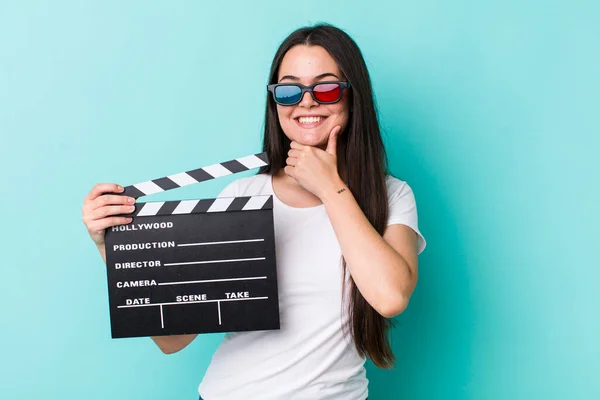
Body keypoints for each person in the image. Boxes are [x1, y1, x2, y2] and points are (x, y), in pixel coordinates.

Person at [81, 23, 426, 400]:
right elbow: (173, 339)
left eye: (326, 88)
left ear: (351, 97)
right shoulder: (244, 195)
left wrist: (329, 186)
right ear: (275, 101)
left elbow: (390, 296)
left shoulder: (391, 196)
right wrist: (111, 248)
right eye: (290, 90)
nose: (306, 102)